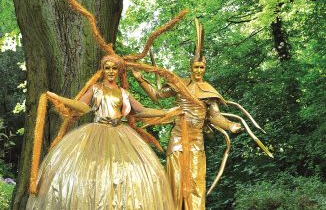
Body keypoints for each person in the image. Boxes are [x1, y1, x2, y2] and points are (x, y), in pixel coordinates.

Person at [27, 54, 175, 210]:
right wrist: (60, 98)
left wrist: (166, 112)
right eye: (107, 68)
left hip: (120, 134)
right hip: (96, 133)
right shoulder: (96, 88)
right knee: (94, 171)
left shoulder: (124, 93)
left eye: (114, 68)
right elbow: (82, 106)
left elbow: (141, 111)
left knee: (121, 173)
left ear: (119, 71)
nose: (111, 71)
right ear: (103, 70)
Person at [132, 19, 243, 209]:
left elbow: (215, 116)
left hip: (196, 141)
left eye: (202, 67)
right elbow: (158, 96)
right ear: (190, 68)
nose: (199, 71)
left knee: (195, 182)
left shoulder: (208, 90)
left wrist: (230, 125)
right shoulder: (179, 84)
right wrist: (141, 80)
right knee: (175, 181)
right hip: (177, 139)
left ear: (205, 69)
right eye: (196, 67)